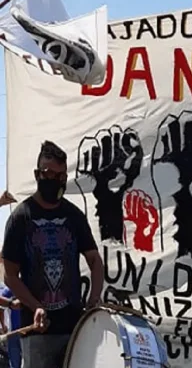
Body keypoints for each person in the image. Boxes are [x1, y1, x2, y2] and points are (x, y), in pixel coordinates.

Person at [2, 141, 104, 368]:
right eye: (49, 173)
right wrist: (35, 305)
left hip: (75, 329)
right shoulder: (21, 218)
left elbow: (95, 260)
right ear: (38, 174)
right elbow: (9, 275)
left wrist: (94, 299)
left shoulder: (74, 216)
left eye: (61, 175)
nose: (55, 180)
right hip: (37, 331)